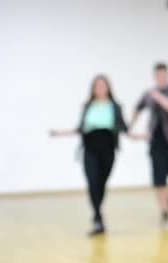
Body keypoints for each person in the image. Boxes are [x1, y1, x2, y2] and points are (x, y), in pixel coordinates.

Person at [50, 75, 128, 236]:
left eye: (103, 85)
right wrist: (60, 133)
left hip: (108, 148)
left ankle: (97, 214)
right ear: (93, 89)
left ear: (108, 88)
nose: (100, 88)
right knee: (92, 182)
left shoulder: (115, 106)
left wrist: (140, 135)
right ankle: (98, 218)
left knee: (101, 183)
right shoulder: (88, 106)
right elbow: (80, 127)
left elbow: (123, 127)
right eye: (97, 86)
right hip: (90, 148)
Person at [129, 63, 168, 226]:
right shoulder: (148, 94)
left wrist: (159, 97)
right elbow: (137, 108)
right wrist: (130, 127)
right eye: (158, 76)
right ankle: (164, 211)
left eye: (164, 76)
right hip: (156, 143)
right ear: (155, 77)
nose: (161, 78)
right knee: (160, 179)